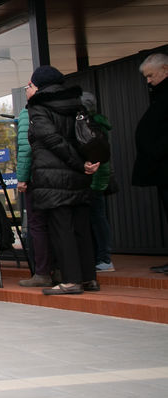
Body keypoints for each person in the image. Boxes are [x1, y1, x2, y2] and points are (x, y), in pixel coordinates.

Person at [25, 65, 100, 295]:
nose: (27, 89)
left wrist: (78, 163)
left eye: (30, 85)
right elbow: (88, 135)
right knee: (81, 228)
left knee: (61, 229)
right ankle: (88, 278)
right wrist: (86, 163)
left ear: (39, 87)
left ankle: (71, 280)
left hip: (53, 177)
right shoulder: (76, 103)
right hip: (79, 175)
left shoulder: (38, 107)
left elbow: (52, 140)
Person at [133, 52, 168, 274]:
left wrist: (157, 151)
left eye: (151, 75)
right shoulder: (159, 93)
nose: (148, 80)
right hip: (161, 166)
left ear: (165, 70)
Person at [15, 98, 55, 287]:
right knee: (58, 224)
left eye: (29, 86)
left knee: (37, 224)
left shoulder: (28, 113)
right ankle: (62, 268)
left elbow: (25, 147)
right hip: (56, 176)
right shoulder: (58, 109)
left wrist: (22, 177)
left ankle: (42, 272)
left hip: (37, 177)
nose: (26, 90)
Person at [80, 92, 115, 273]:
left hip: (93, 180)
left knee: (97, 218)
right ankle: (100, 257)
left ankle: (103, 258)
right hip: (97, 179)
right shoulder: (97, 125)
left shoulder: (90, 127)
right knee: (96, 218)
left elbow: (96, 156)